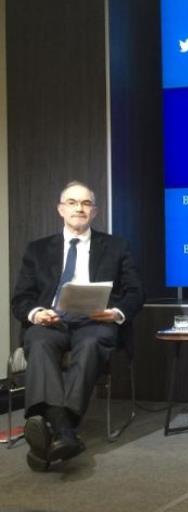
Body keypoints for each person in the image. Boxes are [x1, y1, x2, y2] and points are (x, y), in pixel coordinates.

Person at [12, 181, 144, 468]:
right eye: (72, 202)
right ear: (61, 209)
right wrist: (36, 313)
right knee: (38, 340)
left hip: (94, 323)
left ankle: (55, 429)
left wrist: (115, 312)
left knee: (91, 343)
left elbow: (136, 292)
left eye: (85, 203)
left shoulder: (116, 246)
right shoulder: (38, 250)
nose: (79, 208)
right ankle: (65, 432)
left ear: (94, 212)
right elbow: (20, 298)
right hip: (52, 323)